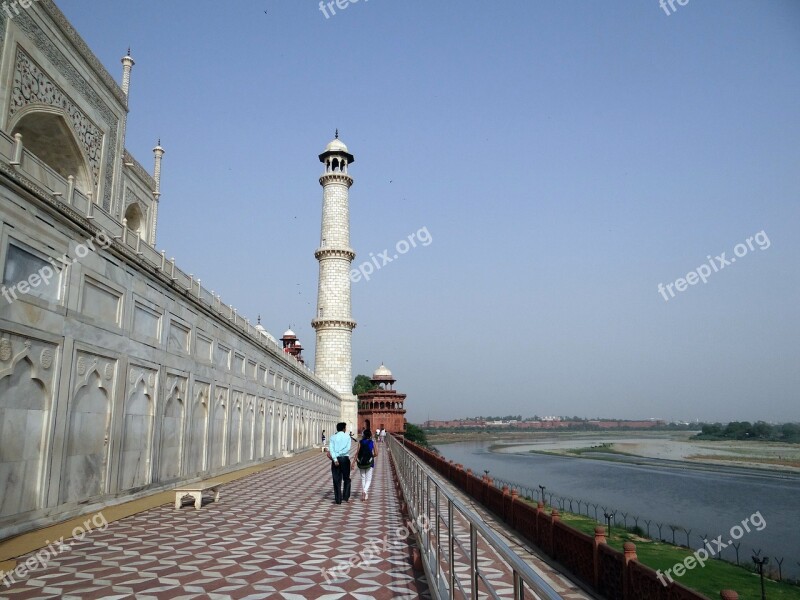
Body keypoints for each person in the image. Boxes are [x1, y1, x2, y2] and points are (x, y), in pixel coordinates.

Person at [326, 422, 353, 504]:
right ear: (344, 428)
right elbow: (347, 449)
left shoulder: (333, 437)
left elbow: (331, 449)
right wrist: (340, 453)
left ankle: (338, 499)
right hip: (345, 459)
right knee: (346, 478)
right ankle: (346, 496)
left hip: (336, 460)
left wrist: (335, 458)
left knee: (336, 479)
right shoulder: (347, 436)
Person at [356, 429, 377, 501]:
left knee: (363, 478)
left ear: (363, 435)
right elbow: (376, 453)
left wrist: (353, 462)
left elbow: (357, 452)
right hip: (369, 463)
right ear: (370, 435)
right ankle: (364, 491)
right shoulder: (372, 442)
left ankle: (365, 494)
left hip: (361, 462)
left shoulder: (360, 442)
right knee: (368, 479)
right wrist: (371, 456)